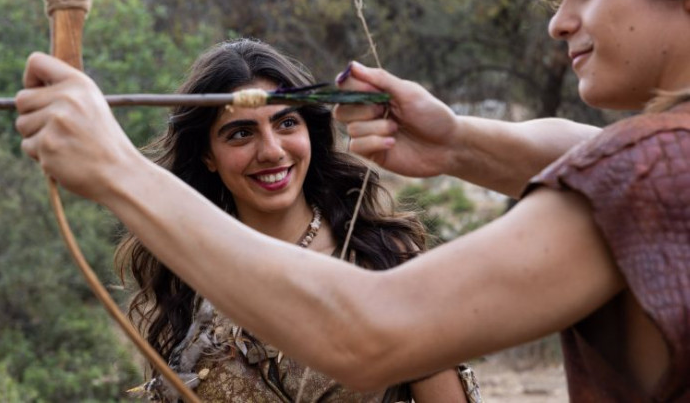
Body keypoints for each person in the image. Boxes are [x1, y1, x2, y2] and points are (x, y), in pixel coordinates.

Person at [14, 0, 689, 400]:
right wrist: (454, 140)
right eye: (240, 133)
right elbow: (590, 155)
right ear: (209, 156)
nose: (560, 20)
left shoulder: (656, 168)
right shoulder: (655, 164)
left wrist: (117, 169)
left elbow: (368, 334)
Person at [111, 39, 471, 402]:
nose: (271, 151)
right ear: (208, 155)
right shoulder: (190, 278)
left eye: (286, 123)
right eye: (241, 133)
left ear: (309, 132)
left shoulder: (383, 257)